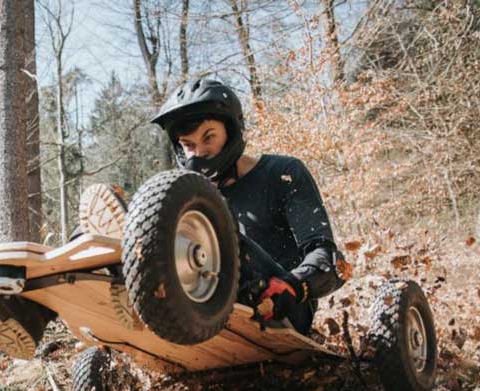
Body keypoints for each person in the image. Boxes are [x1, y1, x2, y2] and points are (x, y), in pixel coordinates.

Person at [79, 77, 347, 334]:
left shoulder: (283, 172)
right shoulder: (187, 200)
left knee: (219, 233)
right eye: (188, 145)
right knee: (102, 238)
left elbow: (329, 259)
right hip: (201, 306)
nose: (199, 153)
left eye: (209, 138)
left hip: (281, 306)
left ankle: (130, 263)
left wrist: (296, 285)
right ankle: (65, 295)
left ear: (231, 133)